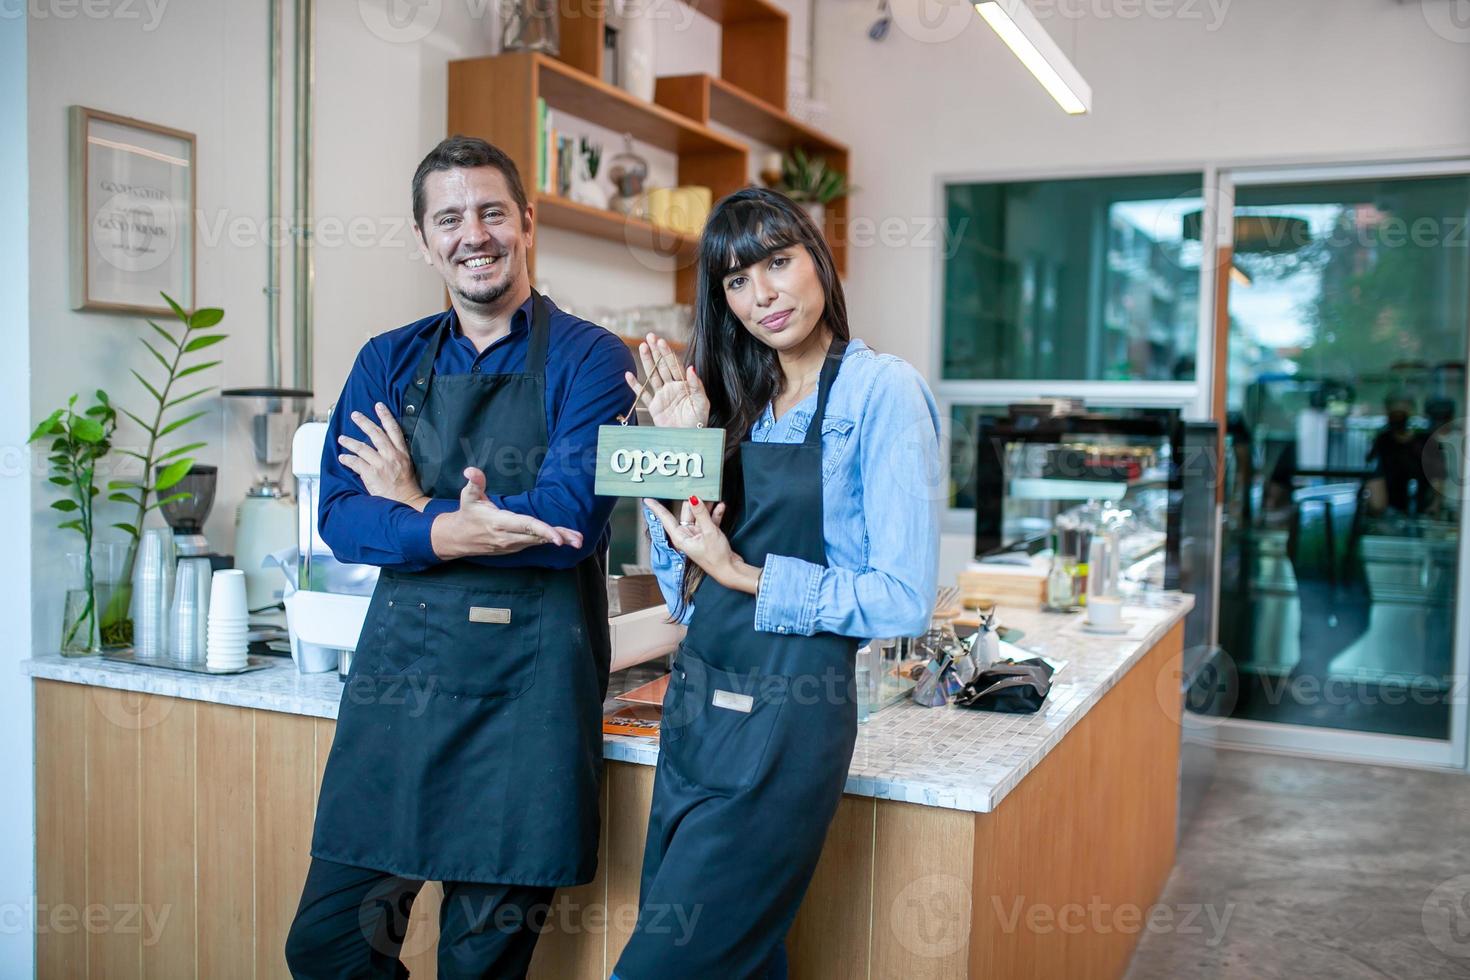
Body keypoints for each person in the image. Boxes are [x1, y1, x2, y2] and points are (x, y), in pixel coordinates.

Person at [284, 136, 634, 979]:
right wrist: (450, 523)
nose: (471, 234)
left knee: (480, 969)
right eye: (449, 217)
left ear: (525, 222)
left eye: (489, 212)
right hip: (399, 695)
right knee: (328, 948)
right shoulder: (388, 359)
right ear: (423, 237)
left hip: (528, 710)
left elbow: (562, 525)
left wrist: (409, 506)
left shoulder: (594, 359)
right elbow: (340, 517)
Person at [611, 187, 941, 980]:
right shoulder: (731, 402)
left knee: (660, 970)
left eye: (777, 262)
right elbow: (683, 587)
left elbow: (901, 596)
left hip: (792, 721)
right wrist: (673, 447)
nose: (761, 295)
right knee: (740, 963)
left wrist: (747, 573)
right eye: (734, 281)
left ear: (816, 261)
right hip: (698, 708)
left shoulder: (880, 392)